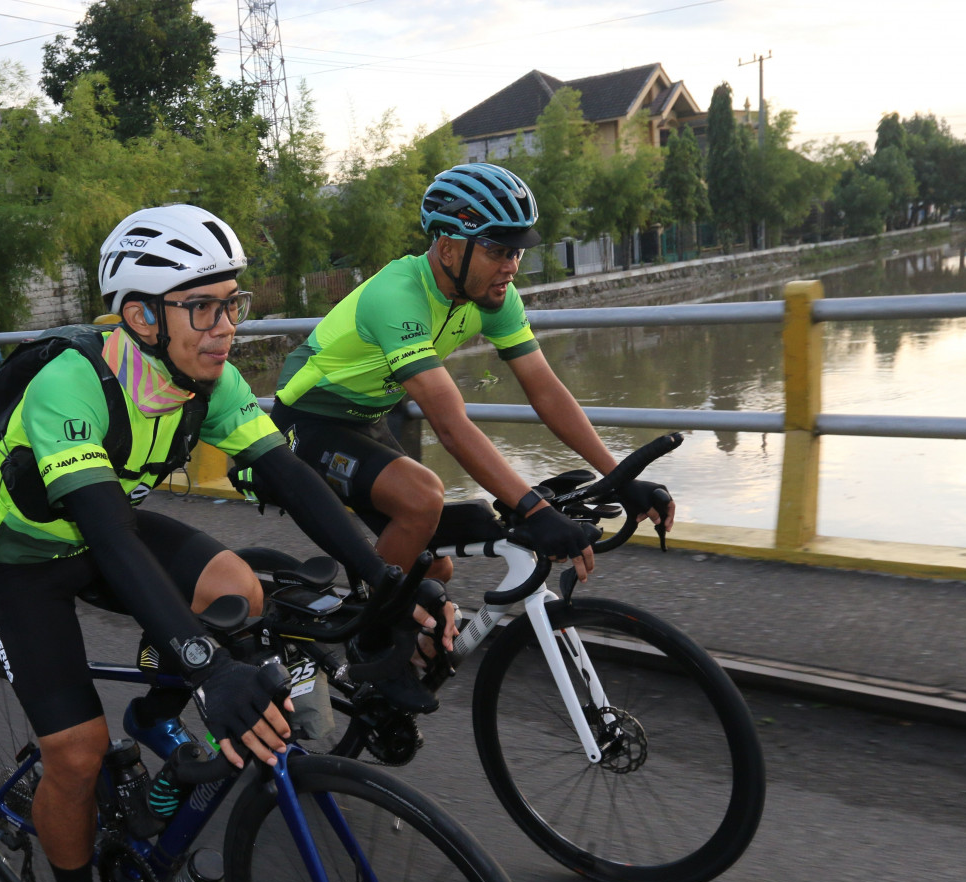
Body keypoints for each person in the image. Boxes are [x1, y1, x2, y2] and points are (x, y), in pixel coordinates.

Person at [0, 204, 450, 882]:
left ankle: (154, 716)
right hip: (19, 561)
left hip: (103, 529)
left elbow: (289, 476)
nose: (226, 328)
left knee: (238, 589)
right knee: (76, 754)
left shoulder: (205, 379)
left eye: (232, 304)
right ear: (141, 317)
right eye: (204, 308)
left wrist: (384, 579)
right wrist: (207, 669)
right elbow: (111, 538)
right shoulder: (71, 383)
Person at [272, 162, 675, 586]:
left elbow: (546, 392)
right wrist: (534, 510)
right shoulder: (397, 296)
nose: (511, 266)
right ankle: (373, 622)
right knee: (422, 498)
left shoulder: (493, 297)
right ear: (448, 249)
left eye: (516, 252)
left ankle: (393, 619)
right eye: (497, 251)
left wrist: (619, 477)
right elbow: (450, 424)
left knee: (433, 569)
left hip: (366, 419)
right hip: (307, 421)